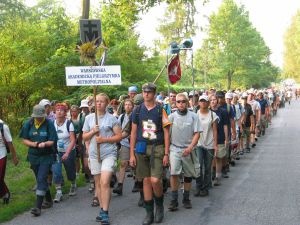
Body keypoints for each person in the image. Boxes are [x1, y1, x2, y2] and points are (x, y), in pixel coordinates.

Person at [130, 82, 171, 225]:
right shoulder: (136, 110)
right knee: (146, 181)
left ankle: (159, 206)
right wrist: (131, 154)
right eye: (144, 91)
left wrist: (166, 153)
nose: (146, 94)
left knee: (155, 180)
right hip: (141, 148)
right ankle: (149, 213)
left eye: (149, 92)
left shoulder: (161, 110)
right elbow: (133, 132)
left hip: (157, 147)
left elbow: (166, 133)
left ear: (154, 93)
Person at [82, 93, 122, 225]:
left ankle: (105, 211)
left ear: (107, 103)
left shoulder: (112, 119)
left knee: (105, 182)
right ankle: (101, 208)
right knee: (98, 183)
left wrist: (104, 139)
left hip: (109, 154)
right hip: (94, 154)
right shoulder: (88, 119)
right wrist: (93, 132)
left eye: (101, 101)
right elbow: (84, 137)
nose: (99, 103)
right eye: (96, 101)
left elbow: (118, 137)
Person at [19, 104, 57, 216]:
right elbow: (24, 139)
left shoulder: (49, 124)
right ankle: (49, 200)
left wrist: (44, 144)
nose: (39, 118)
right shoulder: (29, 123)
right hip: (33, 156)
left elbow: (52, 140)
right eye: (37, 116)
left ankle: (38, 207)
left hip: (46, 155)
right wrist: (34, 144)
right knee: (40, 179)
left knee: (41, 178)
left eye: (41, 116)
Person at [167, 93, 201, 211]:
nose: (181, 104)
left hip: (188, 149)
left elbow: (197, 133)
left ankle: (186, 198)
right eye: (178, 102)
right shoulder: (171, 117)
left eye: (183, 101)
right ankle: (174, 200)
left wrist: (190, 147)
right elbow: (167, 135)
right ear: (175, 103)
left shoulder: (194, 116)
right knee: (174, 174)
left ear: (187, 102)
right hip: (175, 149)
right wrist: (166, 152)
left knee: (188, 175)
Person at [52, 103, 76, 202]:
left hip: (69, 150)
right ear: (54, 112)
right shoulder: (52, 124)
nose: (59, 112)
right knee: (56, 171)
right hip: (56, 151)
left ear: (65, 113)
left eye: (61, 110)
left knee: (70, 170)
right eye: (57, 110)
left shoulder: (69, 124)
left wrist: (67, 153)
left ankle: (73, 184)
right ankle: (59, 192)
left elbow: (73, 140)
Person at [194, 94, 218, 197]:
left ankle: (206, 187)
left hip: (209, 144)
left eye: (205, 101)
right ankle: (198, 186)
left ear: (208, 103)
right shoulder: (195, 114)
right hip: (198, 144)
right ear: (198, 103)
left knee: (208, 167)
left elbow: (215, 130)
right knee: (198, 165)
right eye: (201, 101)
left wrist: (215, 144)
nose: (203, 103)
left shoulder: (213, 115)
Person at [113, 99, 134, 195]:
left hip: (135, 143)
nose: (127, 106)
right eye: (126, 104)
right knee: (123, 163)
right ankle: (120, 185)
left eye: (129, 104)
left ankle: (138, 182)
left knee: (135, 164)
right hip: (124, 142)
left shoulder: (135, 116)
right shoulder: (121, 117)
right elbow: (117, 129)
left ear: (133, 106)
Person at [210, 94, 228, 186]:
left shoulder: (223, 111)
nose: (213, 101)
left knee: (218, 157)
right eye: (211, 100)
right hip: (209, 138)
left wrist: (226, 138)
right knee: (212, 157)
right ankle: (213, 172)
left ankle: (217, 176)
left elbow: (225, 125)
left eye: (214, 99)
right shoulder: (207, 111)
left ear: (217, 101)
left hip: (220, 137)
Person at [0, 120, 19, 204]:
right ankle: (5, 193)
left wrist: (14, 157)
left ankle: (5, 193)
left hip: (1, 153)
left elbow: (10, 143)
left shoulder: (3, 127)